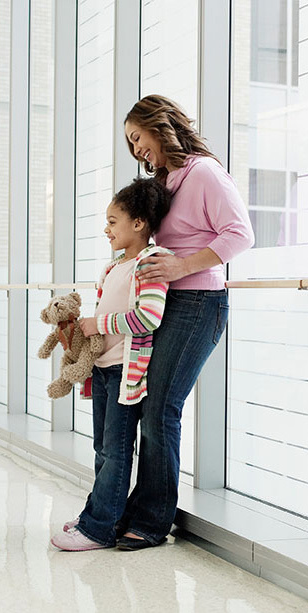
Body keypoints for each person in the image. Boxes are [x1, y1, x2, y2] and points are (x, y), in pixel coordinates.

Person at [109, 94, 254, 550]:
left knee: (160, 410)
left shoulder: (205, 172)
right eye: (130, 144)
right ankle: (139, 509)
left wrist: (178, 267)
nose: (136, 150)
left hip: (198, 304)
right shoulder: (166, 182)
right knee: (148, 406)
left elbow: (240, 234)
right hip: (166, 304)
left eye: (138, 137)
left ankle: (152, 522)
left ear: (159, 125)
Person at [50, 178, 172, 551]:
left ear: (138, 223)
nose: (107, 229)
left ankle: (99, 528)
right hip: (103, 369)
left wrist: (97, 324)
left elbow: (148, 317)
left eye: (113, 221)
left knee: (116, 450)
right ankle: (103, 516)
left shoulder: (150, 263)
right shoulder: (113, 267)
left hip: (124, 373)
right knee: (103, 449)